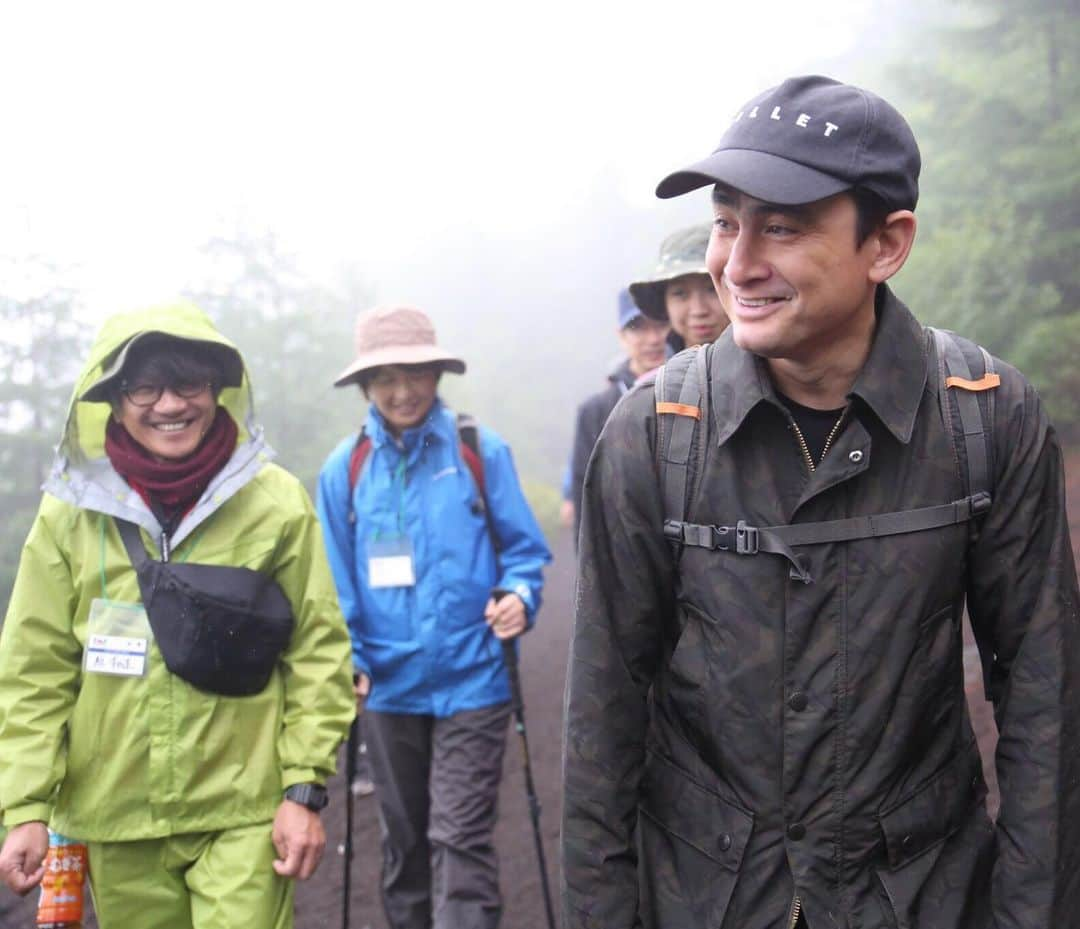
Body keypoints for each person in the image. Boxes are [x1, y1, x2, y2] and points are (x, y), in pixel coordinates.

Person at [562, 75, 1080, 929]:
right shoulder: (654, 432)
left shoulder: (985, 418)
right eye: (728, 222)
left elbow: (1045, 704)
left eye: (783, 225)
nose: (737, 263)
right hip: (707, 898)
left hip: (921, 895)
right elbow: (601, 721)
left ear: (886, 243)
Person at [0, 301, 355, 929]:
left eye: (188, 383)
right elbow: (34, 668)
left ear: (218, 389)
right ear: (111, 398)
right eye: (145, 386)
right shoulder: (70, 514)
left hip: (243, 811)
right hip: (116, 817)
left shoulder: (275, 503)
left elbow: (317, 649)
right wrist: (25, 804)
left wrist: (303, 790)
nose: (169, 405)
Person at [317, 305, 551, 929]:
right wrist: (352, 660)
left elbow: (524, 551)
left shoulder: (479, 449)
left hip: (475, 678)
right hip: (389, 687)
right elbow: (334, 585)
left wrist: (518, 597)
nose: (403, 390)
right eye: (386, 377)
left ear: (437, 374)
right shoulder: (345, 470)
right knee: (406, 844)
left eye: (416, 373)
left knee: (459, 837)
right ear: (365, 386)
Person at [568, 288, 669, 541]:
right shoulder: (595, 411)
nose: (653, 338)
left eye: (659, 325)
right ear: (621, 336)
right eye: (638, 328)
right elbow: (585, 494)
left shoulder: (697, 389)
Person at [629, 222, 728, 351]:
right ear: (664, 302)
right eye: (680, 293)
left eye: (712, 289)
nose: (698, 311)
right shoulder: (663, 371)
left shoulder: (761, 369)